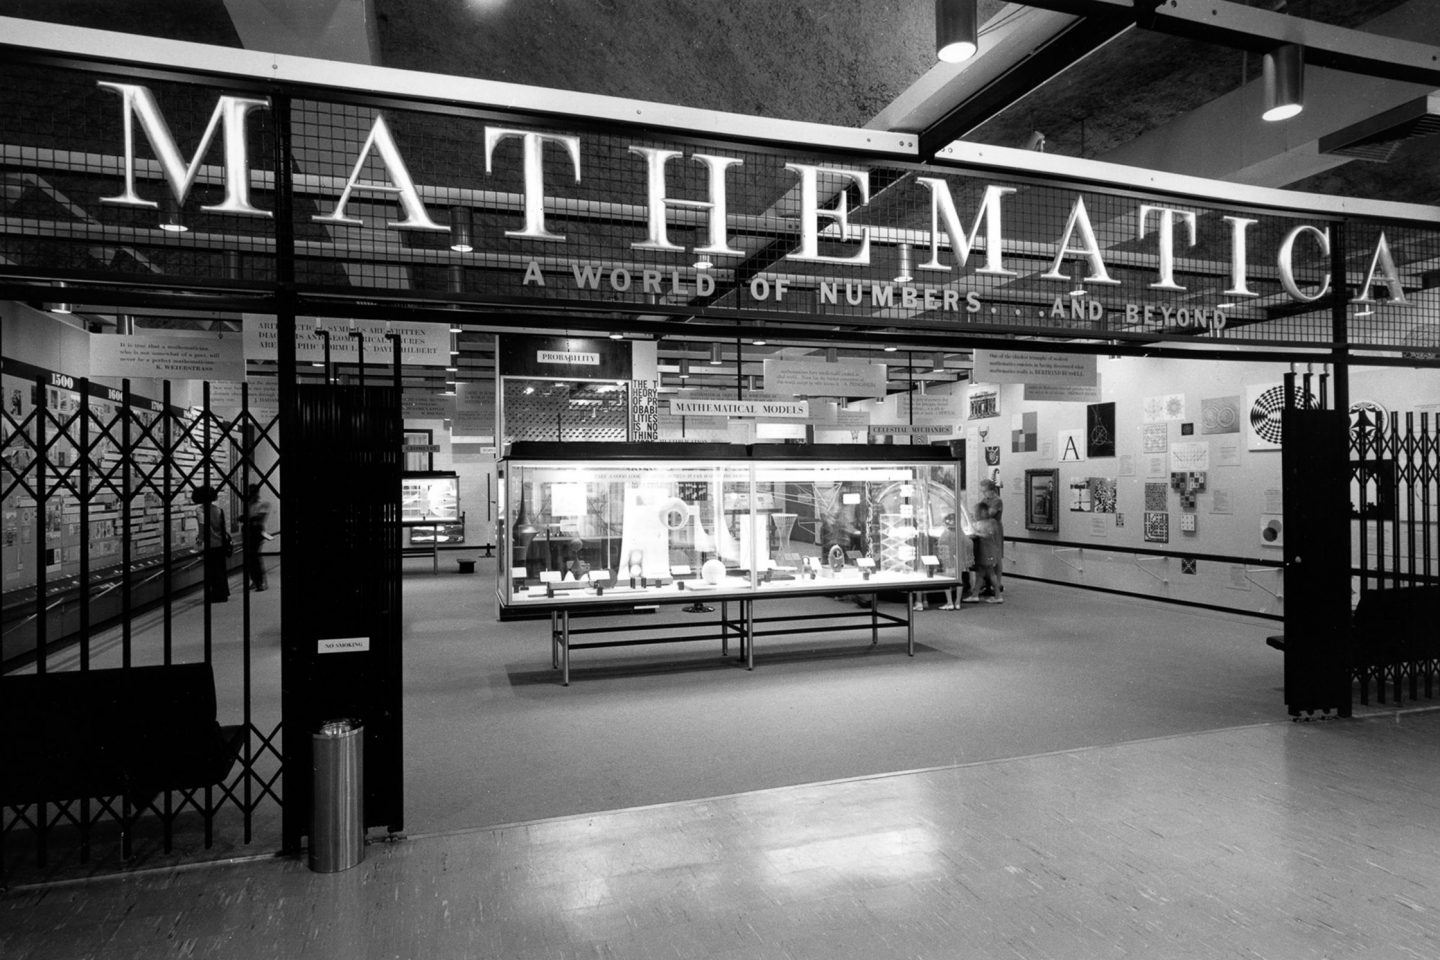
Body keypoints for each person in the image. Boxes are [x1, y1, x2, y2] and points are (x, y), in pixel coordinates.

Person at [192, 484, 230, 603]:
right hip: (220, 543)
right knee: (220, 569)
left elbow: (202, 528)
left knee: (211, 571)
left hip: (210, 544)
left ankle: (215, 594)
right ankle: (223, 593)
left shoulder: (200, 510)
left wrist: (199, 542)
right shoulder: (218, 510)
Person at [970, 500, 1004, 604]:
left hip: (987, 551)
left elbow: (988, 535)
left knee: (990, 572)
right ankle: (975, 595)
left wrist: (977, 533)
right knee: (981, 573)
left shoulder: (990, 523)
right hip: (985, 551)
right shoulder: (988, 522)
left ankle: (998, 596)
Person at [244, 485, 272, 591]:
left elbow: (259, 519)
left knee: (255, 557)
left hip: (256, 532)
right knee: (251, 558)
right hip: (249, 531)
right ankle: (255, 580)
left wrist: (250, 518)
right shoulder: (249, 504)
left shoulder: (262, 504)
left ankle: (260, 581)